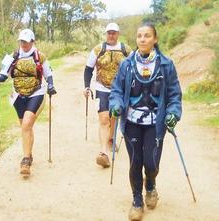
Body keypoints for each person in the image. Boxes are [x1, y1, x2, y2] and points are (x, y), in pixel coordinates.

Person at [109, 23, 182, 220]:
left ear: (155, 39)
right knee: (135, 162)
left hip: (155, 123)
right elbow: (116, 90)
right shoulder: (126, 64)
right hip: (131, 122)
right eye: (139, 35)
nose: (142, 39)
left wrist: (173, 113)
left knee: (151, 163)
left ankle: (150, 185)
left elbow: (174, 94)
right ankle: (137, 201)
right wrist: (116, 104)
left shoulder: (166, 65)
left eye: (147, 36)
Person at [0, 28, 57, 176]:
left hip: (36, 93)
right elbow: (3, 74)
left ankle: (25, 160)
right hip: (18, 96)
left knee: (26, 124)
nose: (24, 44)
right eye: (21, 41)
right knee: (26, 128)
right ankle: (29, 154)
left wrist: (50, 86)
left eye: (26, 42)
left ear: (33, 42)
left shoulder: (39, 56)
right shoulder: (13, 56)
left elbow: (48, 74)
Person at [83, 22, 132, 168]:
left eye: (114, 33)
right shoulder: (98, 49)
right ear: (106, 34)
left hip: (120, 89)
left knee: (113, 117)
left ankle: (111, 138)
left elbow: (134, 67)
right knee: (104, 119)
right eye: (109, 33)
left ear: (118, 34)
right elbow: (88, 69)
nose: (111, 35)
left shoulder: (126, 50)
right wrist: (87, 86)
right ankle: (103, 153)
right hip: (101, 88)